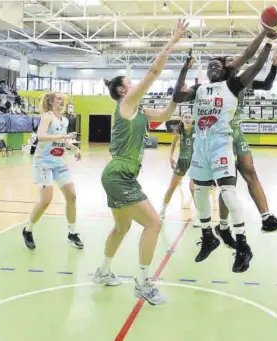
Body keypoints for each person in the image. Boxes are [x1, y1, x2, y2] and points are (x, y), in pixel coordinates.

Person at [91, 19, 189, 305]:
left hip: (120, 175)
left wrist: (176, 99)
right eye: (129, 84)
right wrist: (173, 40)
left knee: (121, 228)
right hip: (119, 174)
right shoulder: (126, 104)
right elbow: (154, 70)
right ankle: (144, 283)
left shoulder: (139, 109)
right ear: (123, 90)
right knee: (153, 224)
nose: (134, 86)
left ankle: (103, 271)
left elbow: (163, 115)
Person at [173, 28, 277, 273]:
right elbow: (178, 95)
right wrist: (185, 68)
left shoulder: (232, 84)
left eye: (216, 65)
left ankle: (243, 245)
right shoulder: (198, 89)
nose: (211, 68)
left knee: (228, 191)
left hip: (221, 143)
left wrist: (268, 41)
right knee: (199, 192)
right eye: (208, 66)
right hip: (201, 144)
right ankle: (208, 236)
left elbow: (254, 61)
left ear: (224, 70)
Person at [214, 50, 277, 248]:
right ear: (224, 67)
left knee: (252, 174)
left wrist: (274, 66)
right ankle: (223, 226)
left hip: (237, 133)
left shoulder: (243, 81)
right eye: (230, 59)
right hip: (222, 136)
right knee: (228, 183)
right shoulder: (218, 84)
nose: (236, 61)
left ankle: (267, 219)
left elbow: (266, 85)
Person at [22, 93, 83, 250]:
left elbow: (63, 140)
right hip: (43, 163)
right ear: (51, 102)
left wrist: (75, 148)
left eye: (63, 100)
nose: (62, 102)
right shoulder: (47, 117)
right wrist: (64, 135)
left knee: (72, 196)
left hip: (59, 162)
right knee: (46, 200)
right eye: (58, 99)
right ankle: (28, 230)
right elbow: (41, 137)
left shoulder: (65, 120)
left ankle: (72, 233)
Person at [160, 112, 195, 221]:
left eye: (189, 117)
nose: (188, 119)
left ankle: (200, 214)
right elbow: (173, 145)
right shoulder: (178, 131)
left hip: (195, 161)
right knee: (172, 187)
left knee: (193, 188)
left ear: (192, 119)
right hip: (182, 161)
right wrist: (170, 157)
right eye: (186, 117)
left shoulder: (197, 129)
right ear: (182, 119)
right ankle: (163, 210)